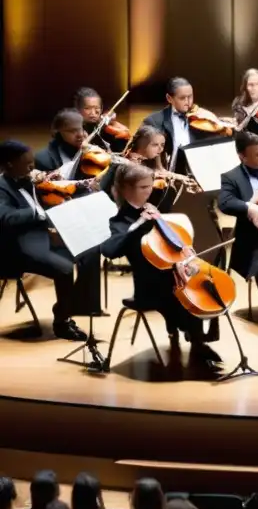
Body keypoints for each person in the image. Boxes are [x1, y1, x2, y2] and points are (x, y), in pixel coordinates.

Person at [100, 163, 220, 365]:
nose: (150, 192)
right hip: (148, 287)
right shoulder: (119, 220)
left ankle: (198, 339)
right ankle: (196, 342)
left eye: (150, 186)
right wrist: (138, 225)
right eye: (143, 187)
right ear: (127, 189)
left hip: (169, 277)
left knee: (208, 285)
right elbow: (110, 250)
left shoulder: (151, 211)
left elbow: (170, 245)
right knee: (187, 295)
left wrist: (185, 250)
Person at [0, 141, 87, 340]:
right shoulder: (1, 187)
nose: (33, 167)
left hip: (41, 239)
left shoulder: (29, 179)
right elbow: (6, 218)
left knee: (85, 253)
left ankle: (73, 308)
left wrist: (55, 185)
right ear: (10, 164)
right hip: (15, 248)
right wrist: (38, 213)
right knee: (65, 268)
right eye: (28, 163)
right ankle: (62, 321)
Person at [217, 131, 258, 338]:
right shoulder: (231, 177)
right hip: (257, 240)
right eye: (257, 155)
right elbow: (225, 203)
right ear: (242, 157)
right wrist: (249, 207)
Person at [142, 77, 219, 171]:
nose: (188, 102)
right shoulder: (153, 121)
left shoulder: (202, 118)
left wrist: (216, 122)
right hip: (167, 176)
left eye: (190, 97)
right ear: (169, 98)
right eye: (182, 98)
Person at [75, 87, 129, 154]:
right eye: (87, 108)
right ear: (78, 109)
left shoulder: (103, 126)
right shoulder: (74, 129)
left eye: (97, 108)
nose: (92, 113)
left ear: (101, 108)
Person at [231, 68, 258, 139]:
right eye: (250, 84)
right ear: (245, 87)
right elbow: (239, 127)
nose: (254, 88)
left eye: (257, 84)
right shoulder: (238, 103)